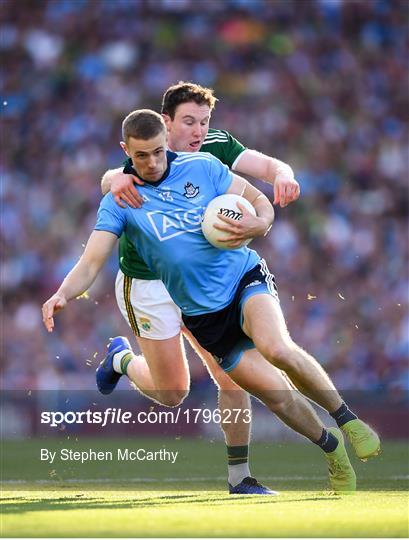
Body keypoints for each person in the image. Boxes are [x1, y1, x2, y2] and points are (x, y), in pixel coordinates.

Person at [43, 109, 381, 494]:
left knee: (277, 348)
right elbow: (90, 262)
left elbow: (259, 199)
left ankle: (348, 421)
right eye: (141, 156)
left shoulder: (202, 166)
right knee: (272, 396)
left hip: (243, 279)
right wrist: (62, 293)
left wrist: (260, 222)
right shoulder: (121, 200)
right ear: (126, 152)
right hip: (203, 314)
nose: (153, 163)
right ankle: (332, 449)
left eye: (158, 152)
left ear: (164, 142)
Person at [99, 82, 300, 494]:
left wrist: (285, 174)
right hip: (151, 285)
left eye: (204, 122)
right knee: (174, 392)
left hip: (204, 282)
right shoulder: (149, 151)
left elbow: (266, 165)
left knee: (231, 376)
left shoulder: (214, 148)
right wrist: (111, 180)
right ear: (166, 122)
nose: (197, 131)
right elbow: (109, 179)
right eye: (188, 121)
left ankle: (239, 478)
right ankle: (122, 360)